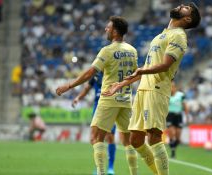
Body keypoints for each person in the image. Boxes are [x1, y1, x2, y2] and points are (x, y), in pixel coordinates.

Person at [103, 3, 201, 175]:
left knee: (154, 136)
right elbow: (148, 66)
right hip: (143, 89)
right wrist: (121, 84)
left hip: (157, 89)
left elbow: (165, 65)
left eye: (186, 7)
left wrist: (142, 70)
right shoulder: (162, 35)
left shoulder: (179, 36)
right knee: (135, 140)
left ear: (187, 18)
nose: (181, 5)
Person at [56, 16, 138, 175]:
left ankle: (101, 172)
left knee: (96, 137)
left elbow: (90, 73)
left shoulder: (107, 50)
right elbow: (136, 75)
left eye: (108, 27)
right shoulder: (132, 50)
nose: (106, 29)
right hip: (126, 100)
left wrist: (69, 85)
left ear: (115, 31)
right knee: (127, 142)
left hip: (108, 99)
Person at [72, 73, 117, 174]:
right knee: (94, 138)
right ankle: (99, 166)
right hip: (97, 107)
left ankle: (110, 167)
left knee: (110, 137)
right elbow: (86, 89)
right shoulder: (96, 75)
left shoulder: (113, 70)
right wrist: (78, 98)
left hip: (110, 105)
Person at [166, 81, 189, 158]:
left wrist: (187, 116)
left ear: (175, 87)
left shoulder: (181, 95)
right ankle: (173, 152)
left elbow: (185, 106)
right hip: (170, 116)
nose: (171, 88)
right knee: (172, 133)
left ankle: (173, 148)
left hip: (179, 116)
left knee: (178, 137)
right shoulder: (167, 96)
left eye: (172, 87)